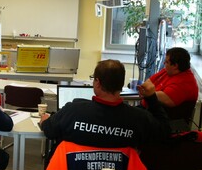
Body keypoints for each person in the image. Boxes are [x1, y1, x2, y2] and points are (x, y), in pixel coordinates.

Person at [41, 59, 170, 148]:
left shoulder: (73, 110)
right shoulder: (139, 118)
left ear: (97, 82)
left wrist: (45, 120)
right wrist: (152, 98)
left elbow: (49, 131)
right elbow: (164, 133)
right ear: (121, 84)